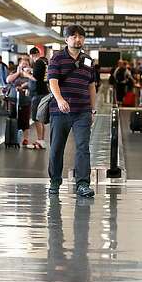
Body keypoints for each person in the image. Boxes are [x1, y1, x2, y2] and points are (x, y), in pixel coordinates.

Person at [47, 25, 97, 198]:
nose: (78, 39)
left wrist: (92, 108)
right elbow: (53, 81)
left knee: (83, 147)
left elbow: (91, 86)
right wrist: (60, 100)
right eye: (74, 36)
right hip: (60, 111)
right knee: (56, 147)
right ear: (66, 39)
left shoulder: (89, 60)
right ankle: (54, 181)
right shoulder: (57, 58)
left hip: (82, 111)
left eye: (81, 37)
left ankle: (82, 184)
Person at [7, 55, 35, 145]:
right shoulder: (15, 72)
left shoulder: (31, 73)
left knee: (25, 119)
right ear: (19, 65)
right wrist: (18, 73)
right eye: (22, 64)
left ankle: (25, 138)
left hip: (26, 100)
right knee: (13, 117)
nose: (24, 65)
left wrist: (27, 75)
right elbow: (8, 80)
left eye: (26, 64)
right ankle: (12, 137)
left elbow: (34, 81)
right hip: (13, 99)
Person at [27, 47, 49, 149]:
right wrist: (31, 70)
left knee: (36, 118)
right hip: (43, 92)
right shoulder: (43, 62)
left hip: (38, 94)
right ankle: (41, 140)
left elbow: (36, 78)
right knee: (40, 118)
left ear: (31, 55)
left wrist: (25, 74)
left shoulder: (38, 63)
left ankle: (40, 140)